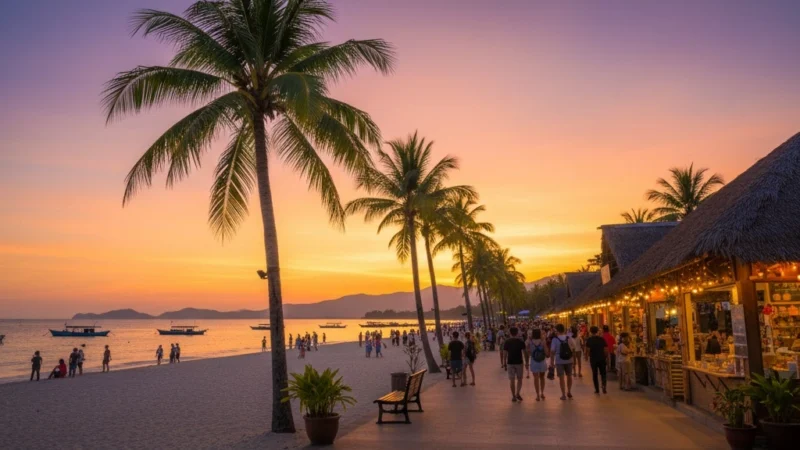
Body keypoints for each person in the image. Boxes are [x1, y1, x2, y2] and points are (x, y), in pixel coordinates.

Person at [550, 324, 576, 400]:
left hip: (559, 360)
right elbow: (574, 346)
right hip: (569, 359)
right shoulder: (568, 338)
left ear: (557, 330)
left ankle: (563, 394)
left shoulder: (555, 339)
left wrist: (552, 362)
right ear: (564, 330)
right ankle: (569, 391)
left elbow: (552, 351)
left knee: (561, 378)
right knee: (569, 376)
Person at [503, 327, 526, 402]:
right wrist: (527, 362)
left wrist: (504, 363)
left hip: (510, 362)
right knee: (520, 379)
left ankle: (513, 396)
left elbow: (505, 353)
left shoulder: (507, 341)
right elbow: (524, 352)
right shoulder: (521, 341)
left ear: (510, 333)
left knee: (512, 380)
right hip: (519, 362)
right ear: (517, 333)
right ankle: (517, 393)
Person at [585, 326, 608, 394]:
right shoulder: (601, 339)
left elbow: (588, 350)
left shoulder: (589, 340)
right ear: (597, 331)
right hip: (602, 358)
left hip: (593, 359)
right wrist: (606, 357)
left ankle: (597, 389)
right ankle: (604, 386)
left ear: (591, 331)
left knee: (594, 374)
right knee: (603, 373)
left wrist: (587, 357)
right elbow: (606, 349)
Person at [528, 329, 549, 401]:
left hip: (534, 361)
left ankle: (537, 395)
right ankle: (542, 393)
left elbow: (528, 352)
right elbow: (546, 351)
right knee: (542, 377)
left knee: (535, 378)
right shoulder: (543, 341)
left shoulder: (530, 342)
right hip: (542, 361)